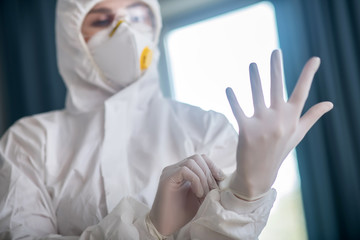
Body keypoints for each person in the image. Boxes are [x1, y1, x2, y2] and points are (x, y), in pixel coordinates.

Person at [0, 0, 333, 239]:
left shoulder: (207, 127)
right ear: (72, 39)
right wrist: (150, 229)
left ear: (154, 26)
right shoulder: (30, 140)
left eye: (137, 16)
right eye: (102, 21)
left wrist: (248, 194)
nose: (125, 33)